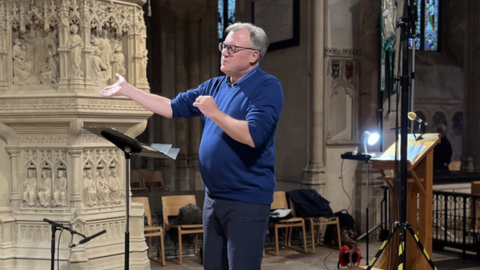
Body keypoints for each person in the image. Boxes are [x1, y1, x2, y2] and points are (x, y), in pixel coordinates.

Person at [101, 22, 283, 270]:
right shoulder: (214, 85)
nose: (225, 52)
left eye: (233, 47)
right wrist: (128, 90)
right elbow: (171, 107)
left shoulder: (267, 87)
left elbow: (253, 135)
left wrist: (215, 113)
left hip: (246, 199)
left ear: (254, 56)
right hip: (213, 198)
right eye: (224, 45)